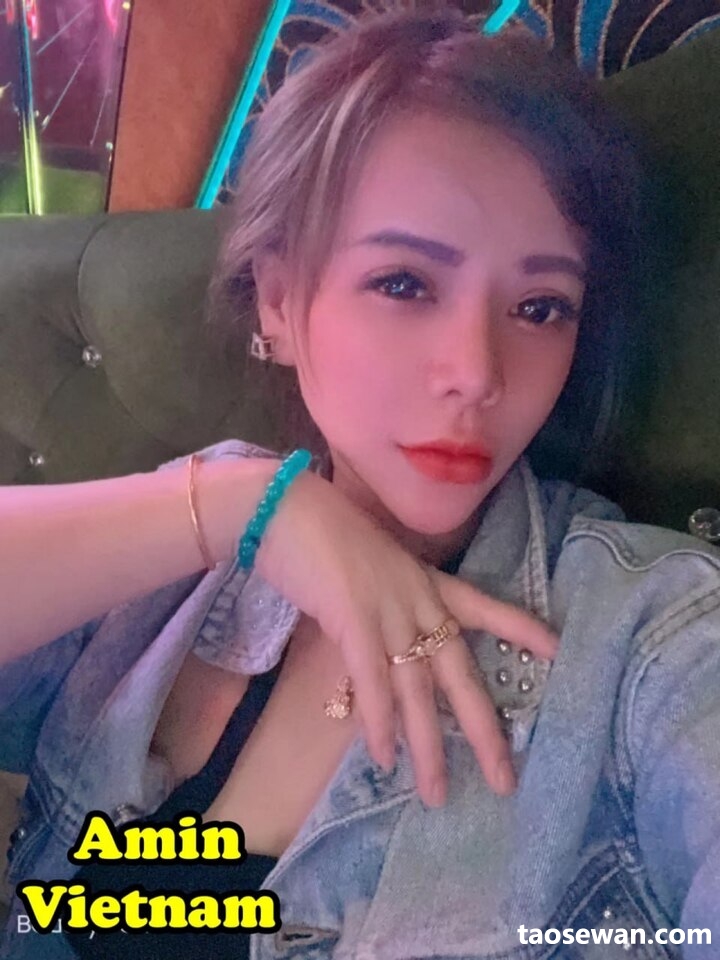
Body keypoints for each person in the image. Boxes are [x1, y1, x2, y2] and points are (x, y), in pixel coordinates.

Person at [1, 5, 719, 959]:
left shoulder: (648, 639)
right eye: (405, 284)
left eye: (541, 306)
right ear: (279, 302)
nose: (477, 373)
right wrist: (235, 507)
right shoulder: (173, 577)